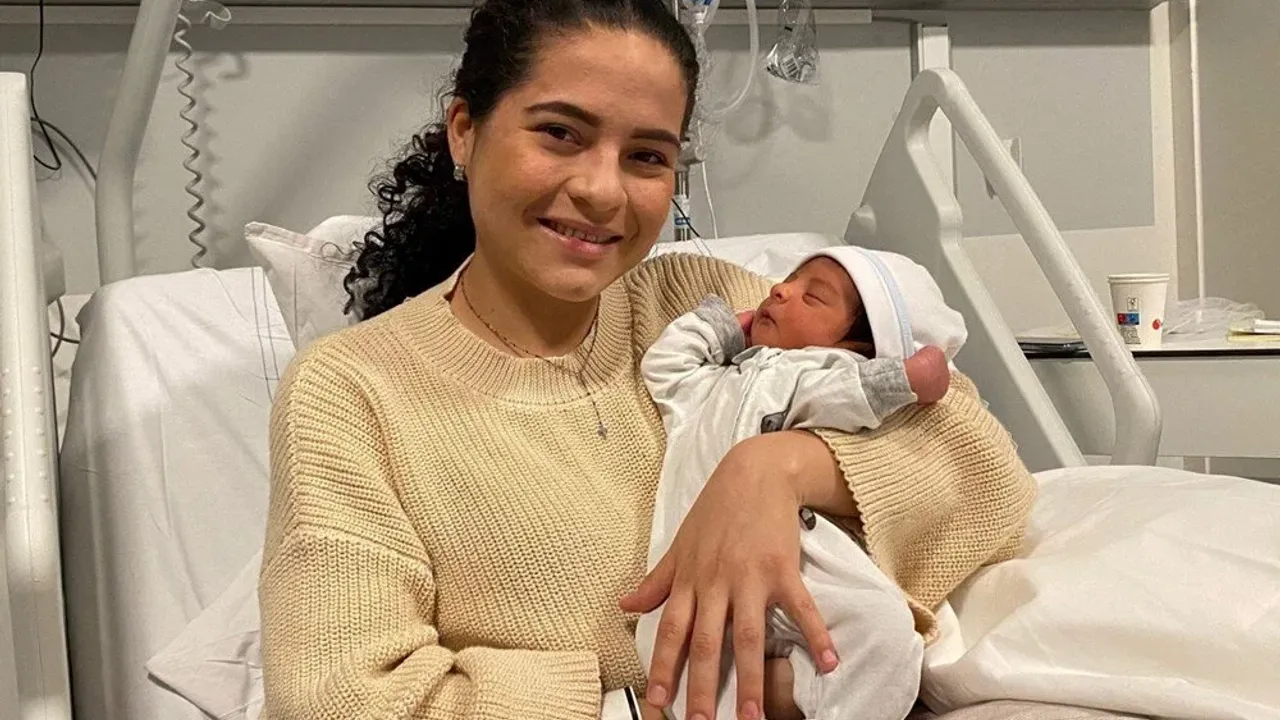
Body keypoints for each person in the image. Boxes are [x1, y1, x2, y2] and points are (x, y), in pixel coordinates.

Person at [258, 1, 1037, 719]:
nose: (603, 191)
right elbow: (342, 699)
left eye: (646, 156)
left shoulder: (700, 303)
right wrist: (649, 699)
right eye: (560, 133)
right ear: (465, 130)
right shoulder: (353, 392)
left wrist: (779, 469)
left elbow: (986, 469)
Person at [636, 247, 968, 720]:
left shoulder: (816, 373)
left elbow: (856, 395)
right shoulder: (711, 381)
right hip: (690, 566)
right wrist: (721, 326)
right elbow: (664, 365)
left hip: (801, 558)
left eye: (813, 297)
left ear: (854, 346)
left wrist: (905, 379)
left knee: (884, 630)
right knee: (679, 655)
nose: (779, 289)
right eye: (788, 279)